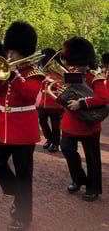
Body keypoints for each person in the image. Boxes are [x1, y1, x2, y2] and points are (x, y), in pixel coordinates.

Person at [0, 21, 44, 231]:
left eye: (14, 52)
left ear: (23, 52)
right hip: (3, 125)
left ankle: (23, 217)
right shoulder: (4, 70)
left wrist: (14, 74)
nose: (9, 55)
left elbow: (30, 94)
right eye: (8, 51)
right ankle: (15, 193)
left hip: (23, 128)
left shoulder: (34, 71)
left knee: (24, 174)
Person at [60, 37, 108, 202]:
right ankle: (79, 178)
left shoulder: (95, 77)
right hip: (70, 121)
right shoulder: (70, 75)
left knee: (92, 157)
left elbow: (103, 98)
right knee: (66, 148)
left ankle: (93, 188)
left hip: (89, 123)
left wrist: (82, 103)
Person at [36, 48, 64, 153]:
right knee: (42, 121)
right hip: (44, 102)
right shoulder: (43, 72)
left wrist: (52, 82)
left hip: (55, 103)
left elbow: (61, 86)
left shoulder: (58, 72)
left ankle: (56, 144)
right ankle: (49, 138)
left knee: (55, 124)